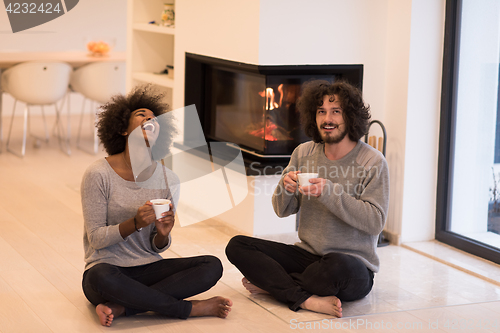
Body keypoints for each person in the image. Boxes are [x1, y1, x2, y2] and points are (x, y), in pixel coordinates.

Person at [225, 80, 389, 317]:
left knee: (336, 268)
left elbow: (375, 221)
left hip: (351, 264)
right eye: (321, 111)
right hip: (307, 256)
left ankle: (275, 285)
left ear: (351, 117)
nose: (327, 119)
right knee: (238, 245)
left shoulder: (373, 162)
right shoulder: (304, 152)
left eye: (336, 112)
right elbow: (282, 210)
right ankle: (306, 299)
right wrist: (286, 186)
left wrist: (328, 192)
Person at [81, 85, 232, 327]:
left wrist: (163, 235)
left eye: (155, 118)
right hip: (107, 270)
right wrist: (135, 223)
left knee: (211, 265)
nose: (150, 119)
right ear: (121, 129)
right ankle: (188, 309)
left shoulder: (168, 179)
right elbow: (97, 239)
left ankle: (123, 307)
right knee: (100, 277)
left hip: (148, 269)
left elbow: (157, 248)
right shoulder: (98, 174)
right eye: (142, 114)